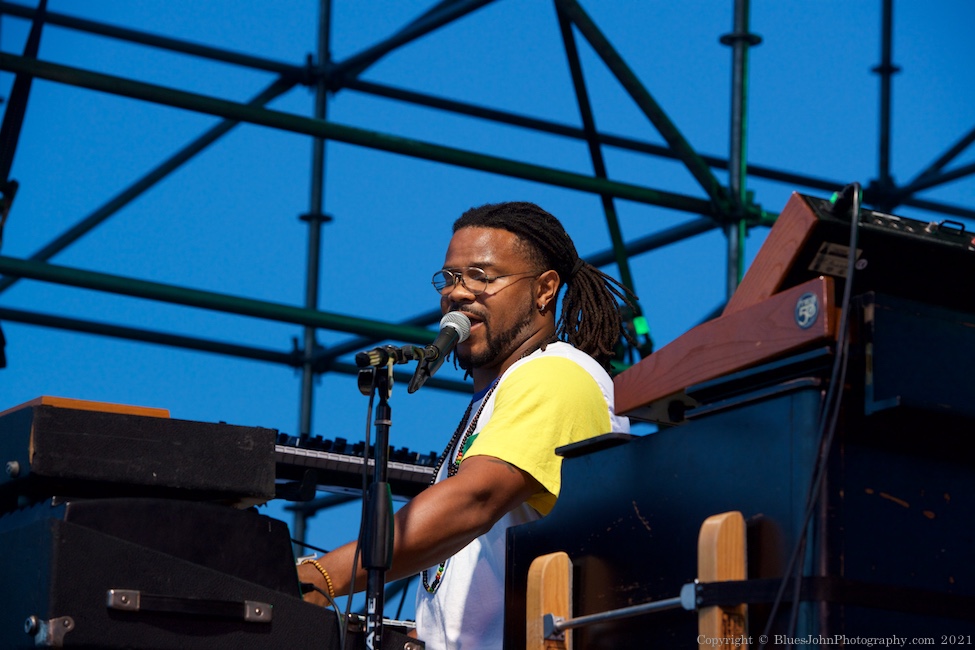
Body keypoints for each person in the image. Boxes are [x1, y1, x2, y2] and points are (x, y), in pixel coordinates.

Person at [298, 201, 635, 649]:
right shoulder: (500, 393)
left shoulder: (557, 375)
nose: (457, 293)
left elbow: (473, 499)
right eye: (451, 278)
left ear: (544, 290)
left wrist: (322, 575)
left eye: (482, 276)